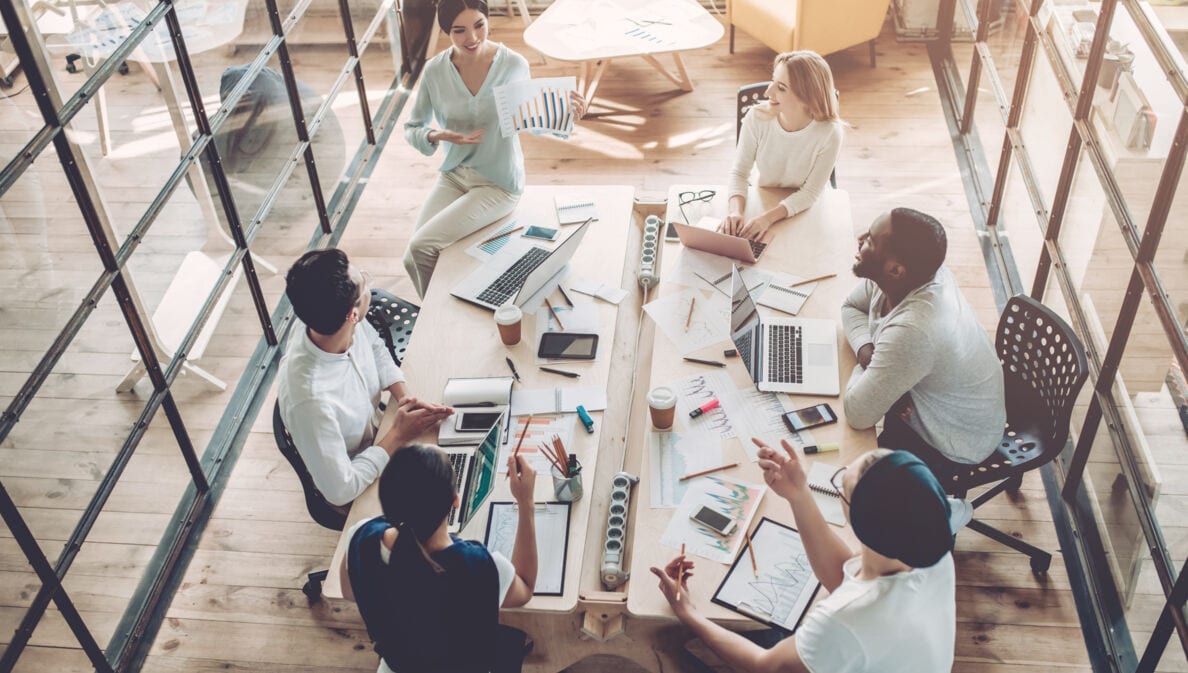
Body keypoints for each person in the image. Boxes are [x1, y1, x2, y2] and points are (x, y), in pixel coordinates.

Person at [653, 440, 957, 673]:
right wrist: (798, 493)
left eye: (841, 485)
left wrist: (688, 613)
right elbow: (844, 578)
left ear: (861, 524)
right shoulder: (929, 547)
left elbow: (765, 666)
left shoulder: (842, 621)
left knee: (672, 651)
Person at [402, 0, 586, 298]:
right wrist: (437, 135)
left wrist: (565, 113)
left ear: (488, 20)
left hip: (497, 183)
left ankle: (437, 318)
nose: (472, 38)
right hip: (453, 177)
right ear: (447, 31)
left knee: (422, 245)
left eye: (479, 25)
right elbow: (412, 128)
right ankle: (435, 315)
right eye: (459, 31)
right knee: (413, 256)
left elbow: (529, 120)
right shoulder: (435, 71)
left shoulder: (513, 64)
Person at [277, 249, 453, 507]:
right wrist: (398, 435)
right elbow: (340, 490)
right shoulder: (310, 402)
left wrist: (405, 398)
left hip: (381, 432)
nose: (369, 285)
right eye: (364, 283)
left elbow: (376, 348)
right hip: (361, 476)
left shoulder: (330, 324)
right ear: (352, 314)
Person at [340, 446, 538, 673]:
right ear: (456, 501)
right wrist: (526, 502)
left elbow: (349, 592)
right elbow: (525, 586)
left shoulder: (359, 536)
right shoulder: (479, 565)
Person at [842, 207, 1005, 480]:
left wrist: (878, 369)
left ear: (895, 269)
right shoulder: (906, 276)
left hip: (950, 441)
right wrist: (867, 353)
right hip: (934, 404)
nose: (860, 239)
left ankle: (951, 511)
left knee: (850, 479)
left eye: (870, 240)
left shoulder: (914, 328)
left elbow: (858, 414)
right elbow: (851, 307)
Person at [721, 51, 844, 241]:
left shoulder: (830, 133)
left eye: (782, 88)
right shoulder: (756, 118)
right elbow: (739, 173)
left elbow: (810, 193)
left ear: (808, 97)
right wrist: (735, 212)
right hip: (764, 196)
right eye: (772, 81)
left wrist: (768, 219)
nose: (768, 92)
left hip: (805, 208)